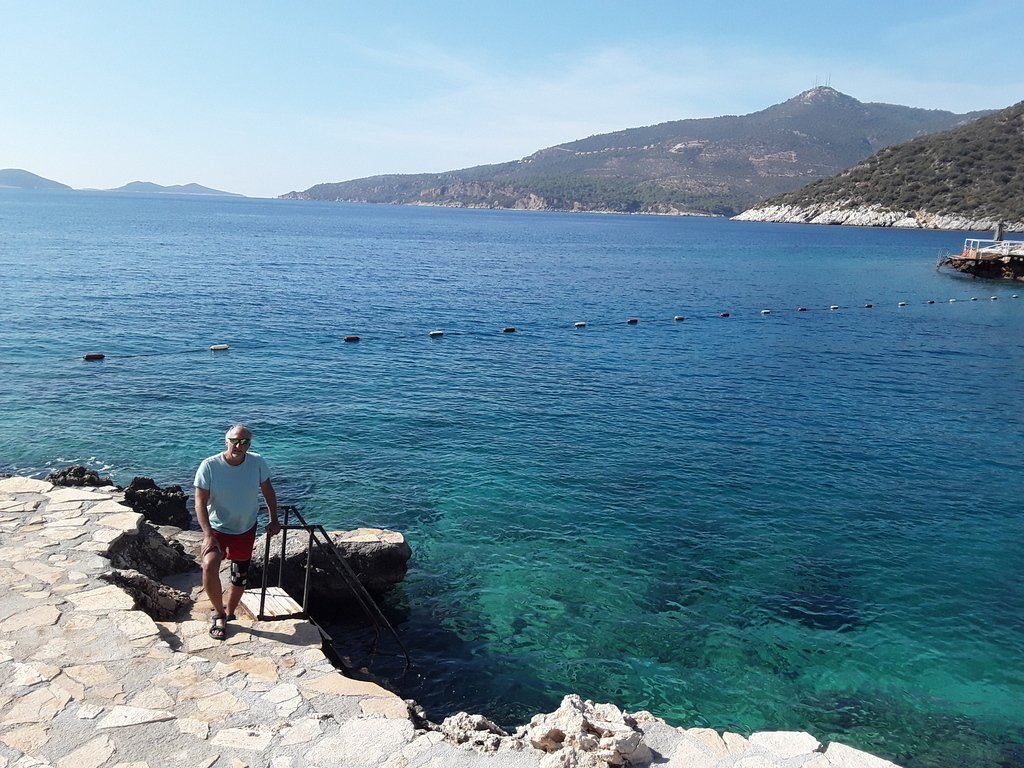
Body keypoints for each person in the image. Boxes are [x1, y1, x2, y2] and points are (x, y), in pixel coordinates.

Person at [194, 424, 281, 640]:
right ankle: (219, 614)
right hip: (217, 528)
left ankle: (230, 612)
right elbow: (199, 502)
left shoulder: (257, 461)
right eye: (235, 441)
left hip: (245, 528)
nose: (239, 445)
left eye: (244, 442)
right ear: (226, 441)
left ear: (249, 445)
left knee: (239, 575)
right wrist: (208, 534)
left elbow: (268, 491)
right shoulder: (210, 465)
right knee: (209, 566)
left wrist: (274, 519)